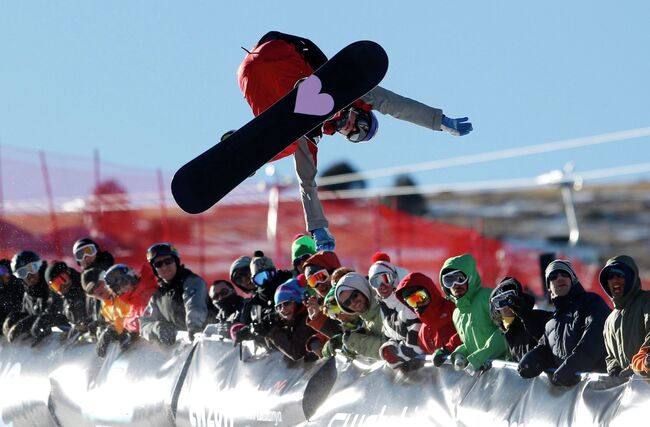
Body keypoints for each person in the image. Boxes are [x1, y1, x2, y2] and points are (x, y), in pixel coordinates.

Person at [237, 31, 473, 251]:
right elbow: (396, 105)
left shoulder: (311, 132)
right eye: (360, 126)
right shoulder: (351, 93)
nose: (351, 130)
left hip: (250, 78)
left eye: (354, 136)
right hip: (279, 56)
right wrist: (439, 121)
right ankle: (300, 95)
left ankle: (246, 153)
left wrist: (318, 228)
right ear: (361, 112)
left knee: (287, 142)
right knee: (300, 124)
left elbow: (306, 182)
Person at [518, 260, 611, 386]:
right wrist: (530, 362)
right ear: (549, 287)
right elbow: (545, 349)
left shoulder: (590, 302)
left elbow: (594, 339)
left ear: (573, 279)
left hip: (599, 389)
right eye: (553, 277)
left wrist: (572, 367)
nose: (560, 278)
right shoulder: (552, 321)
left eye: (564, 274)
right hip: (570, 394)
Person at [439, 254, 508, 375]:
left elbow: (506, 331)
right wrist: (460, 354)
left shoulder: (487, 297)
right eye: (449, 281)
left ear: (470, 277)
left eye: (460, 278)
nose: (455, 285)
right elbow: (472, 343)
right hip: (484, 375)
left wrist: (479, 358)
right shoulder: (457, 314)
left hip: (505, 371)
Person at [140, 243, 213, 344]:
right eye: (158, 264)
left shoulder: (192, 281)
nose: (164, 267)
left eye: (168, 261)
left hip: (207, 343)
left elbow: (194, 307)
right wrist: (157, 328)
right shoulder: (158, 296)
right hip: (183, 349)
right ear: (154, 269)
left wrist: (194, 328)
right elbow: (144, 324)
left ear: (176, 262)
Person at [367, 252, 423, 370]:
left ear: (394, 277)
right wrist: (388, 349)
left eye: (385, 278)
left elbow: (418, 340)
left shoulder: (408, 301)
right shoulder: (384, 308)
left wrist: (397, 355)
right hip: (412, 373)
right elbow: (390, 336)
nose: (382, 285)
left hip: (427, 370)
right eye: (375, 282)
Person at [598, 255, 650, 377]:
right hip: (631, 391)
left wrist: (644, 361)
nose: (615, 280)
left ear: (631, 278)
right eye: (610, 277)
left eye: (620, 275)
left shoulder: (646, 300)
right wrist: (614, 369)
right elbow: (611, 357)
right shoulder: (609, 321)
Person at [395, 272, 460, 366]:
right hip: (448, 379)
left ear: (430, 291)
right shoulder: (423, 332)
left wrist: (448, 349)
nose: (418, 304)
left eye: (421, 297)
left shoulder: (454, 309)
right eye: (412, 301)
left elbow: (469, 333)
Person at [3, 250, 67, 344]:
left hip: (66, 336)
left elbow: (58, 312)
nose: (29, 275)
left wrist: (28, 323)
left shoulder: (52, 282)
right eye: (22, 272)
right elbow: (30, 315)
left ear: (39, 265)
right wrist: (15, 319)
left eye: (32, 268)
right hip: (46, 344)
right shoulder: (28, 295)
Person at [488, 277, 552, 362]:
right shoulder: (506, 330)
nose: (506, 306)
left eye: (509, 299)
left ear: (519, 298)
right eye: (499, 302)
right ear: (496, 309)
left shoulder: (538, 319)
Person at [81, 267, 134, 357]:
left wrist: (113, 329)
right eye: (91, 291)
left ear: (104, 279)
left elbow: (137, 315)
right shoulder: (105, 305)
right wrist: (100, 324)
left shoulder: (123, 290)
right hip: (131, 348)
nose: (96, 291)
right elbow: (113, 321)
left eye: (97, 285)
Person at [334, 271, 385, 360]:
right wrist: (365, 334)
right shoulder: (367, 317)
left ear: (362, 288)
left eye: (354, 295)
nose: (353, 302)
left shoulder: (386, 306)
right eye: (347, 302)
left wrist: (356, 342)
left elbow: (394, 352)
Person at [260, 280, 314, 361]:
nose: (282, 309)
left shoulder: (307, 317)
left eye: (286, 303)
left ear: (297, 301)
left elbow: (296, 352)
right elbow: (273, 348)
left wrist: (272, 332)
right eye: (279, 306)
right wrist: (266, 329)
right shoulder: (292, 319)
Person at [44, 261, 95, 337]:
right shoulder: (59, 300)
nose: (62, 286)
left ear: (69, 273)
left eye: (63, 279)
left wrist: (88, 323)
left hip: (92, 338)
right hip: (78, 342)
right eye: (56, 285)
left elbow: (100, 312)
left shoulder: (86, 288)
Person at [0, 259, 24, 335]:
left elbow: (25, 307)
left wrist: (14, 316)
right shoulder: (2, 289)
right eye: (1, 271)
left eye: (5, 271)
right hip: (6, 328)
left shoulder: (20, 285)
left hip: (21, 324)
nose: (4, 274)